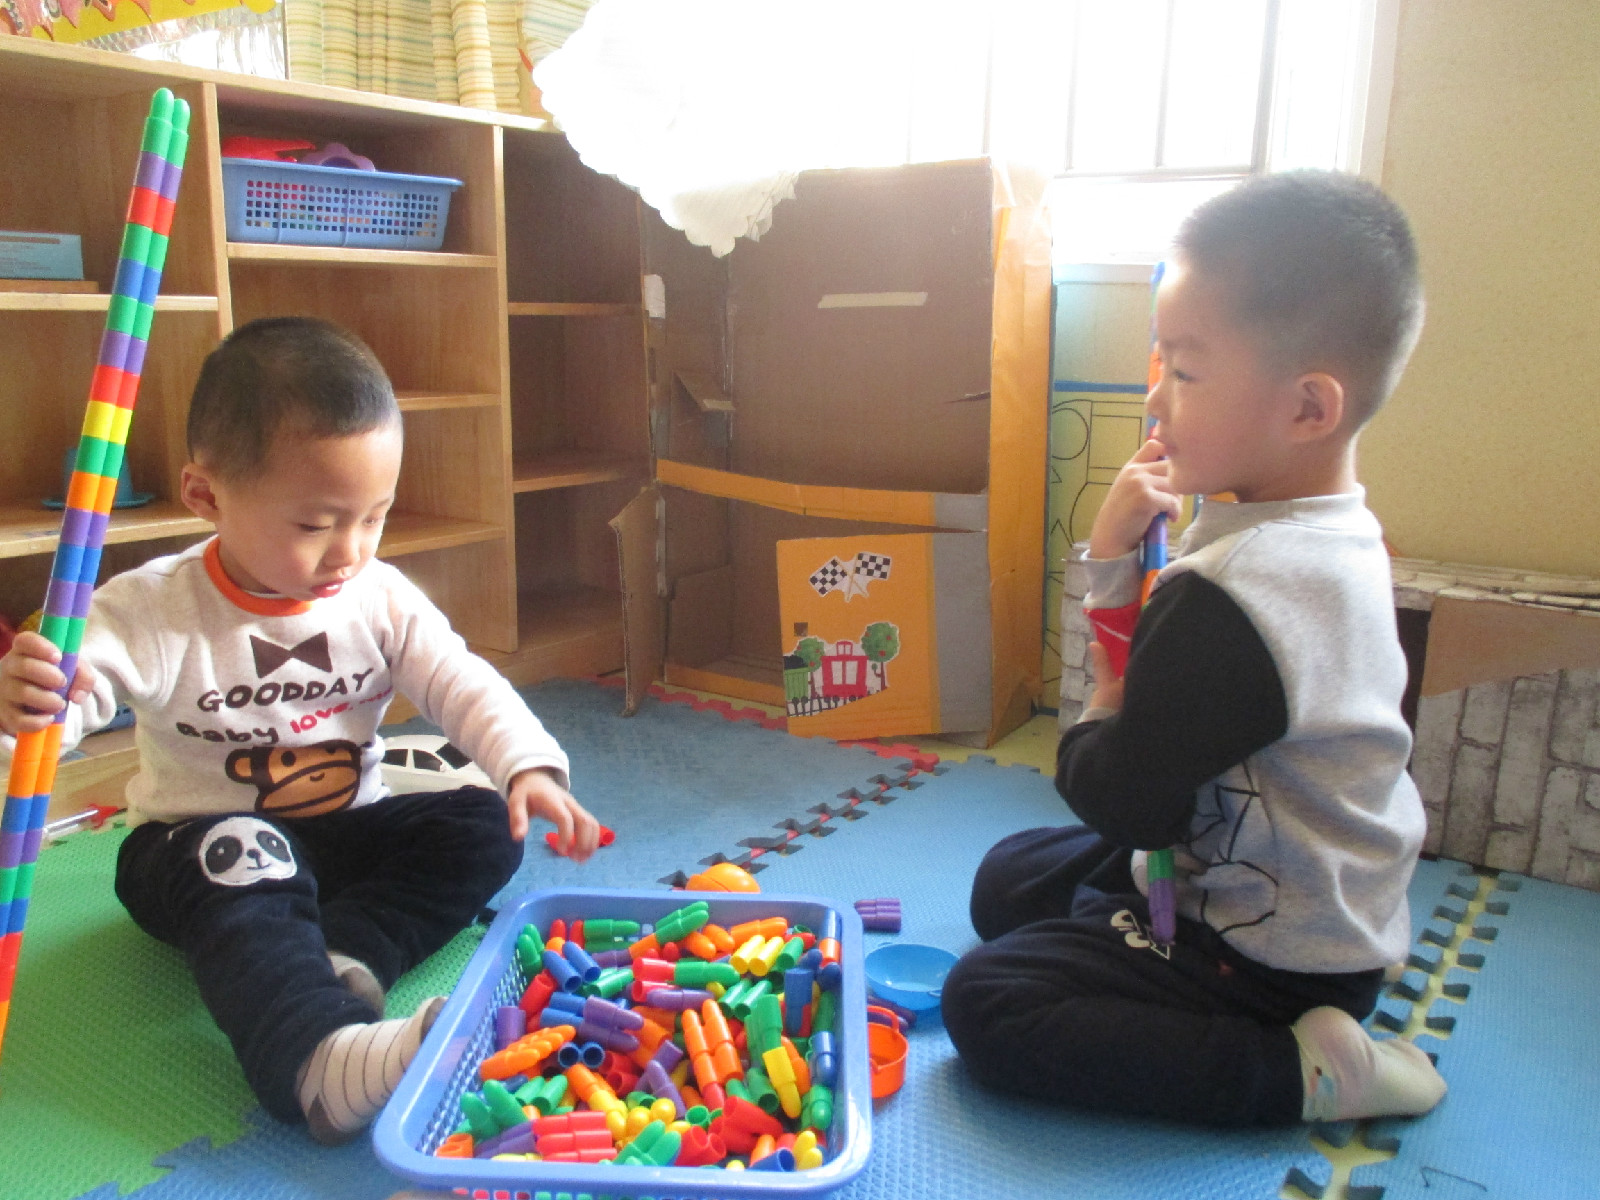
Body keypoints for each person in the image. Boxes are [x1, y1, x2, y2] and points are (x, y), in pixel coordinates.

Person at [0, 317, 601, 1144]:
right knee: (240, 851)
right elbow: (69, 703)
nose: (349, 551)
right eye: (316, 525)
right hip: (194, 852)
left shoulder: (378, 596)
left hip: (344, 832)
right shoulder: (147, 609)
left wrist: (527, 767)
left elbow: (462, 682)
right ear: (206, 496)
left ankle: (344, 955)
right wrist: (35, 707)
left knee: (483, 822)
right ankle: (315, 1064)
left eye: (374, 517)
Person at [941, 171, 1448, 1127]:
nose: (1154, 397)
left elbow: (1121, 796)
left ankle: (1299, 1070)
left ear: (1308, 408)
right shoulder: (1331, 528)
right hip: (1313, 898)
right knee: (1008, 878)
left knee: (989, 1001)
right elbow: (1165, 725)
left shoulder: (1231, 595)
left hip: (1262, 956)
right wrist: (1117, 558)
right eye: (1159, 360)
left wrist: (1104, 647)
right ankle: (1146, 947)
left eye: (1186, 371)